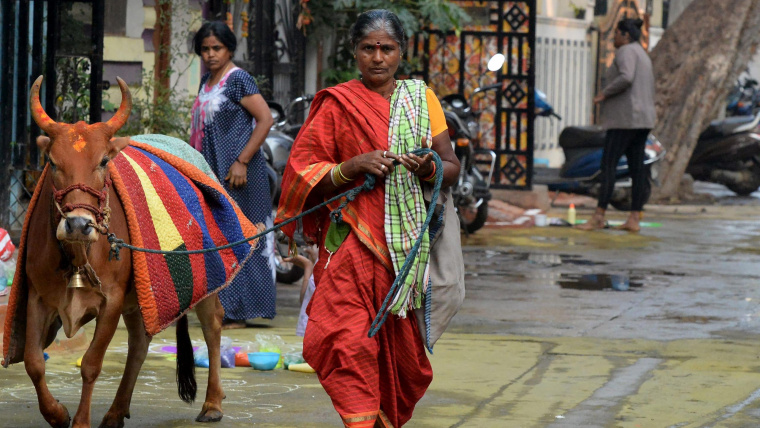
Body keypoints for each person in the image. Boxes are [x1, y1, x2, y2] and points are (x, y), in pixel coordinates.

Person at [276, 9, 460, 427]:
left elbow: (451, 166)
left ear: (401, 52)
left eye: (387, 48)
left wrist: (425, 166)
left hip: (404, 253)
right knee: (345, 339)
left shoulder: (421, 99)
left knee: (401, 359)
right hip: (352, 242)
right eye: (368, 48)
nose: (378, 57)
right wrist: (351, 167)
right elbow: (301, 171)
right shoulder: (336, 103)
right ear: (356, 52)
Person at [190, 21, 276, 328]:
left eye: (217, 48)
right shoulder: (206, 81)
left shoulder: (237, 79)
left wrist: (241, 161)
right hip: (212, 170)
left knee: (241, 235)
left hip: (239, 173)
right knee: (218, 234)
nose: (211, 54)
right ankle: (221, 304)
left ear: (229, 49)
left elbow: (265, 119)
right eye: (205, 49)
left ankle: (239, 310)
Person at [577, 18, 656, 233]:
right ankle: (634, 219)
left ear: (625, 35)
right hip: (642, 120)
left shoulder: (626, 52)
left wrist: (604, 93)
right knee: (637, 168)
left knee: (608, 165)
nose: (614, 38)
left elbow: (626, 77)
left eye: (617, 34)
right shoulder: (641, 53)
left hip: (625, 119)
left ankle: (599, 216)